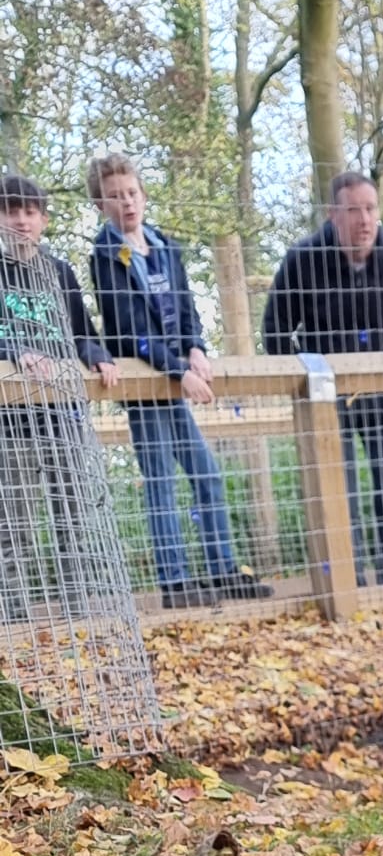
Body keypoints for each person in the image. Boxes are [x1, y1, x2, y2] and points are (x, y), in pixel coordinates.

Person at [88, 151, 271, 608]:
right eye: (115, 196)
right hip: (144, 383)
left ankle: (223, 571)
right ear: (100, 205)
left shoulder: (165, 246)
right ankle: (175, 584)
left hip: (175, 375)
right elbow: (128, 331)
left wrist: (196, 349)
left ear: (144, 194)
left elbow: (187, 308)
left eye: (132, 192)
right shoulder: (105, 255)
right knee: (161, 483)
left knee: (207, 474)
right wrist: (179, 371)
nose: (127, 202)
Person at [262, 170, 383, 585]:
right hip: (327, 397)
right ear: (333, 213)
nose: (364, 219)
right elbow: (275, 330)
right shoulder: (302, 259)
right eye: (353, 210)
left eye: (371, 208)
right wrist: (305, 377)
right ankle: (350, 583)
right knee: (339, 492)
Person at [0, 173, 119, 623]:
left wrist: (99, 357)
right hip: (11, 422)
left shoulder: (59, 271)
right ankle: (13, 615)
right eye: (12, 211)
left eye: (30, 212)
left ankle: (76, 608)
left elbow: (82, 333)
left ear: (44, 220)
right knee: (14, 524)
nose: (22, 220)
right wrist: (16, 352)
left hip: (63, 414)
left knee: (73, 517)